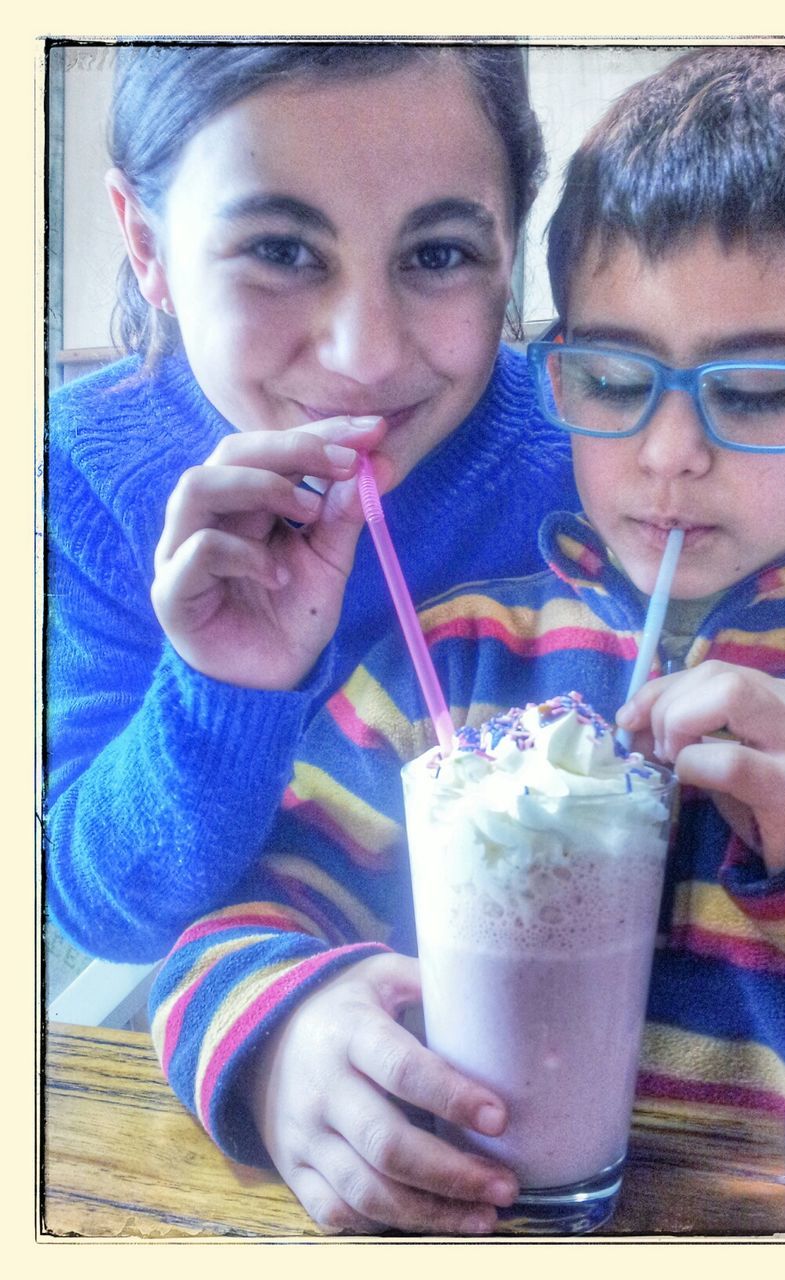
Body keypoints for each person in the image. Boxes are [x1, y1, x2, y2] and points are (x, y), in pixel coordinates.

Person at [148, 47, 785, 1235]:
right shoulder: (458, 659)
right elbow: (234, 926)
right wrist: (283, 1039)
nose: (668, 452)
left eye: (759, 391)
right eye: (612, 378)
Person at [45, 42, 580, 961]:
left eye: (439, 254)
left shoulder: (590, 451)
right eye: (281, 252)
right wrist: (222, 687)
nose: (365, 357)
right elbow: (100, 911)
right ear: (147, 244)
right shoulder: (84, 468)